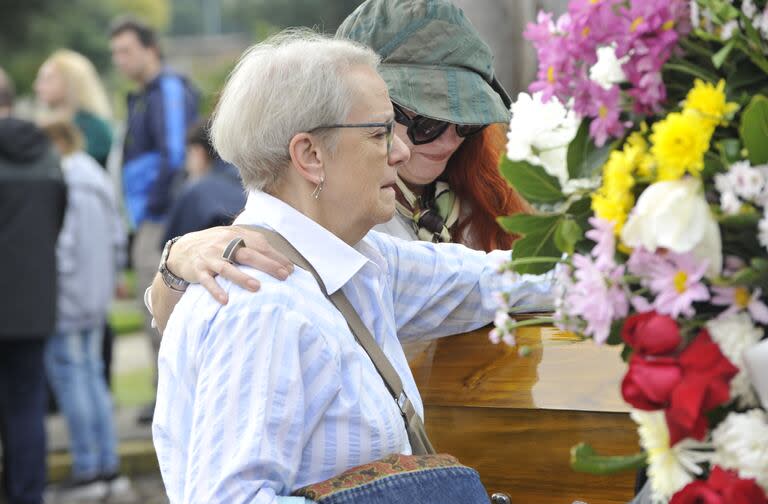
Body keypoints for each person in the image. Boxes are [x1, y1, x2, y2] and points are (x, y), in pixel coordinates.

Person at [152, 30, 552, 504]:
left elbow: (491, 280)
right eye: (380, 132)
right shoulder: (264, 304)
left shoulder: (358, 263)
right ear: (310, 156)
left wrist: (628, 274)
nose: (401, 152)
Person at [147, 0, 530, 332]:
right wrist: (177, 263)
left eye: (468, 123)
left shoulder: (469, 197)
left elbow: (482, 279)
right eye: (427, 123)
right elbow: (220, 301)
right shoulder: (300, 254)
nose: (449, 140)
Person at [109, 16, 199, 423]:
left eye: (126, 50)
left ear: (151, 49)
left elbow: (175, 156)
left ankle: (175, 399)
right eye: (115, 54)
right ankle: (166, 395)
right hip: (145, 214)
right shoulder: (143, 94)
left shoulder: (167, 89)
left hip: (160, 218)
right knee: (152, 308)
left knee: (161, 307)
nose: (120, 60)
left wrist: (158, 213)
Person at [40, 120, 131, 504]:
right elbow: (115, 234)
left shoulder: (64, 179)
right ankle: (108, 465)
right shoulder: (96, 176)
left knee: (70, 377)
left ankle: (88, 467)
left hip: (67, 295)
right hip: (96, 295)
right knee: (92, 377)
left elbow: (62, 242)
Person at [0, 67, 67, 504]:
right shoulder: (47, 151)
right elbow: (56, 222)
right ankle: (28, 500)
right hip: (33, 300)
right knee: (27, 407)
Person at [34, 48, 119, 389]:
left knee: (79, 356)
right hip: (80, 234)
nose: (40, 85)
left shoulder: (89, 130)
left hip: (85, 235)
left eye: (47, 77)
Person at [161, 119, 246, 244]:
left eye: (187, 154)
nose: (187, 165)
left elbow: (172, 245)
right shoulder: (251, 179)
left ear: (197, 152)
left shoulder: (198, 191)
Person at [34, 49, 113, 167]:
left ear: (71, 81)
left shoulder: (94, 127)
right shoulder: (43, 125)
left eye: (48, 79)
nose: (37, 86)